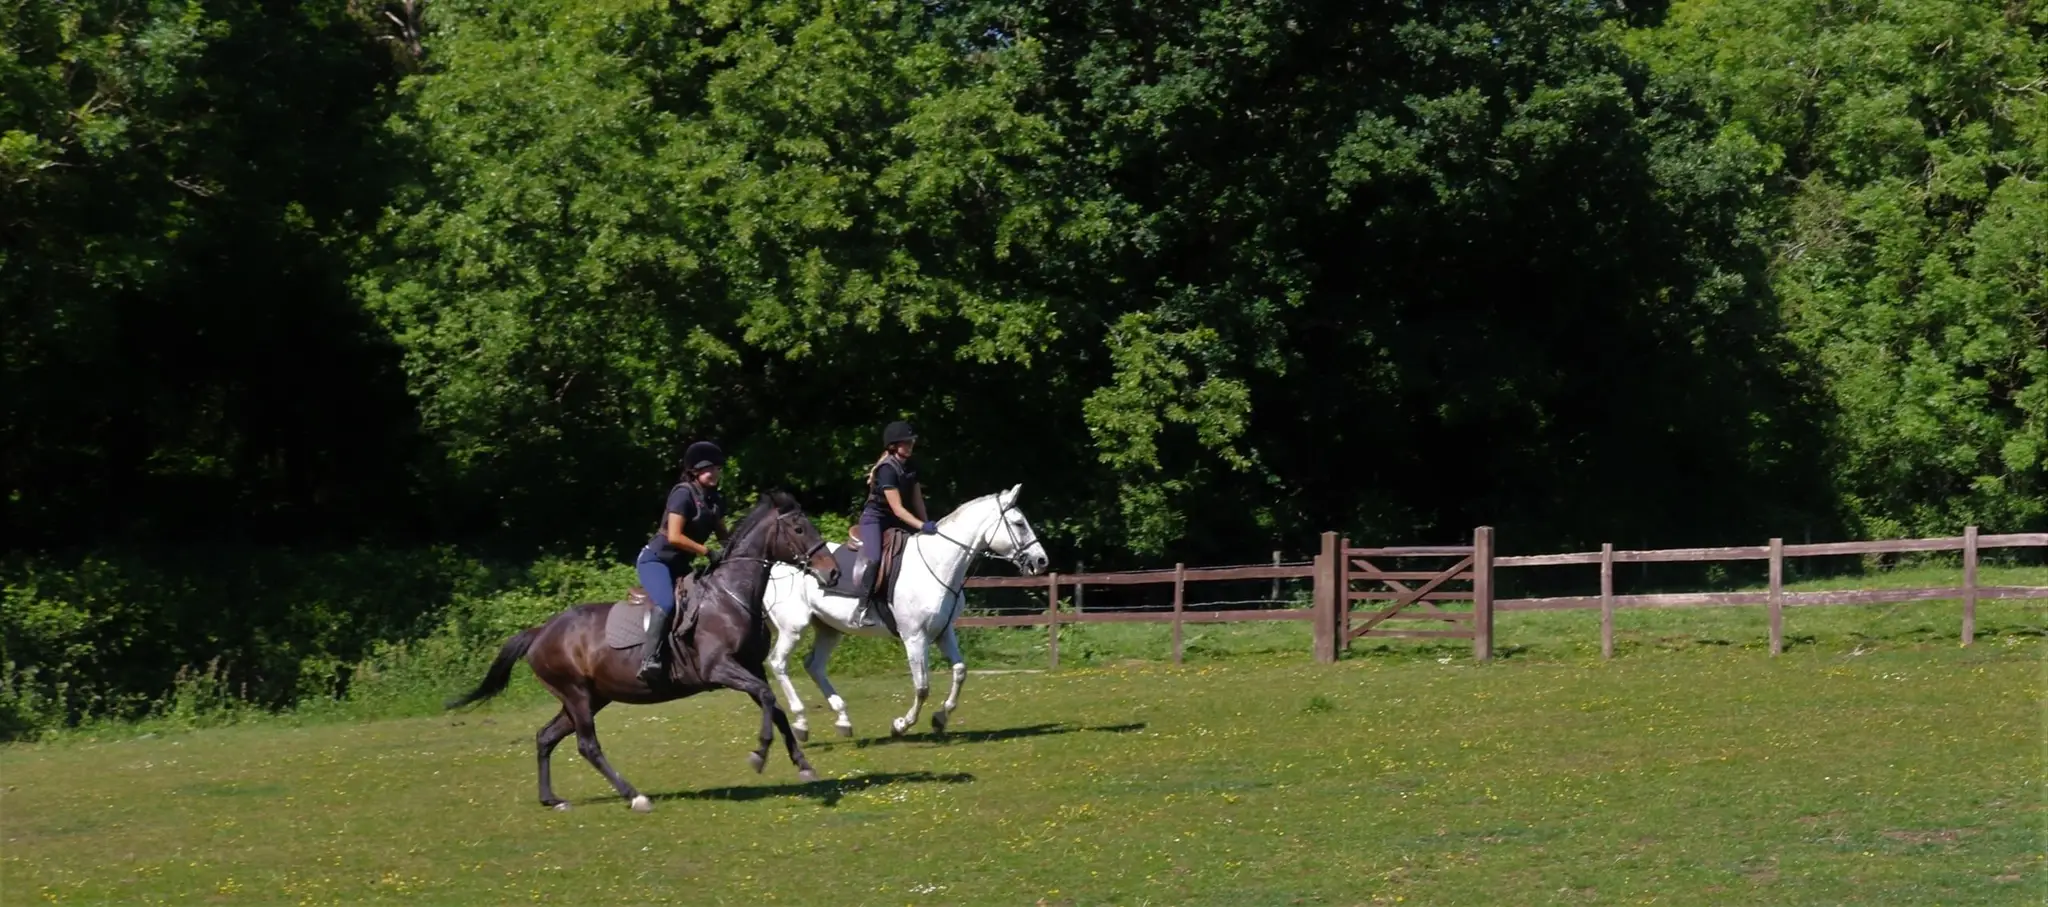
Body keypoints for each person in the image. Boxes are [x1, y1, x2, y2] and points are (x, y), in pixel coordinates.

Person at [635, 440, 729, 683]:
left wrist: (735, 552)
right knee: (666, 604)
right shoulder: (683, 493)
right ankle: (649, 659)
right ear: (695, 471)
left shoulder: (715, 499)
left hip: (681, 565)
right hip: (656, 561)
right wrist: (707, 552)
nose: (715, 473)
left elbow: (723, 535)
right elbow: (675, 536)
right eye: (709, 468)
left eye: (717, 468)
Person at [852, 421, 938, 602]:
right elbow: (898, 509)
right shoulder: (887, 470)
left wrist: (927, 524)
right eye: (906, 442)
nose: (910, 445)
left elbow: (917, 500)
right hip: (875, 519)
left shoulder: (911, 466)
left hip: (896, 520)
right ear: (893, 446)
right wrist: (921, 525)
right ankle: (863, 603)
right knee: (874, 559)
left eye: (911, 442)